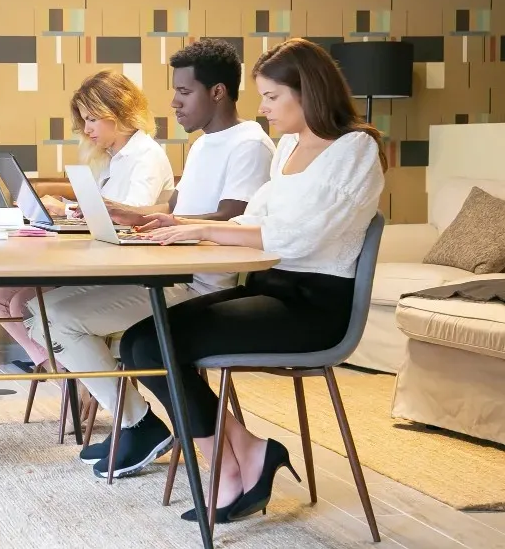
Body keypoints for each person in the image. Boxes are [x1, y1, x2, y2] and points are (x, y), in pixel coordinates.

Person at [118, 37, 386, 523]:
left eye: (271, 97)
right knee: (138, 342)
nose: (262, 110)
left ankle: (226, 472)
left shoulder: (356, 148)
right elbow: (254, 219)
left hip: (314, 308)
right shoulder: (288, 145)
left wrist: (205, 229)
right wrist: (186, 226)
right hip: (270, 290)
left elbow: (301, 237)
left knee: (157, 343)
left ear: (309, 91)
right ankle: (245, 452)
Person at [24, 39, 275, 478]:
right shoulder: (202, 145)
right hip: (168, 272)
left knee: (60, 319)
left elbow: (231, 218)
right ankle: (136, 423)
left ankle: (137, 424)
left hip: (200, 286)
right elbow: (172, 212)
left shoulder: (249, 144)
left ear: (217, 92)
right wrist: (124, 213)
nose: (173, 103)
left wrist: (147, 218)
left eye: (184, 92)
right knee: (42, 309)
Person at [0, 70, 175, 369]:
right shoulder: (113, 156)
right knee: (1, 300)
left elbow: (132, 214)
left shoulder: (145, 156)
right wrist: (67, 208)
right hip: (105, 257)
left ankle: (70, 377)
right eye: (84, 120)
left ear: (118, 111)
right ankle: (62, 371)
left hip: (129, 269)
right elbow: (103, 209)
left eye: (92, 119)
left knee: (14, 302)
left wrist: (66, 211)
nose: (86, 129)